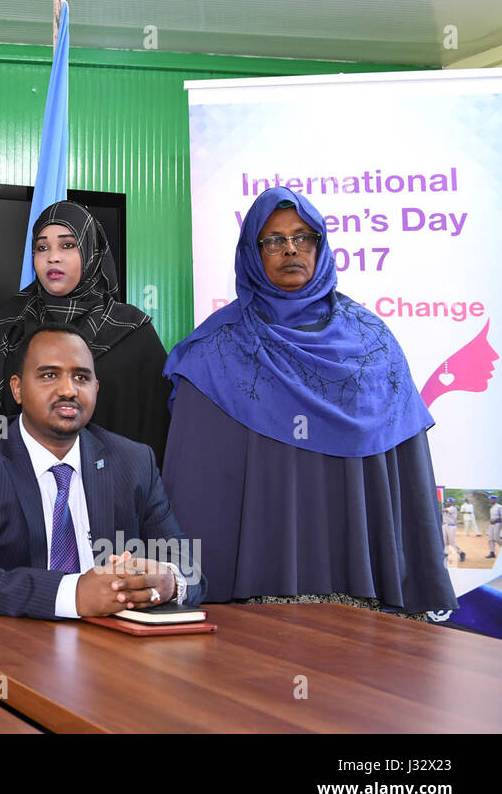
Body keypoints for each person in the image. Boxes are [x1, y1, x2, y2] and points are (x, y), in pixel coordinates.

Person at [162, 186, 456, 616]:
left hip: (361, 597)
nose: (290, 250)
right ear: (252, 253)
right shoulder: (214, 351)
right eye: (273, 240)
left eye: (303, 237)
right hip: (257, 600)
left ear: (320, 246)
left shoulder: (371, 342)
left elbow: (404, 461)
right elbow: (197, 483)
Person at [0, 325, 205, 619]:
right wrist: (72, 594)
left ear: (96, 388)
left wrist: (168, 581)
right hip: (11, 636)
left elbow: (188, 567)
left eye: (81, 377)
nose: (68, 390)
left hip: (114, 638)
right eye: (49, 375)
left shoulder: (134, 462)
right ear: (17, 388)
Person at [0, 200, 170, 463]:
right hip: (17, 481)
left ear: (91, 251)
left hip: (113, 483)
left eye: (68, 245)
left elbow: (156, 432)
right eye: (42, 247)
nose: (53, 257)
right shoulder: (9, 325)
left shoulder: (132, 332)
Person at [488, 495, 500, 560]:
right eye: (490, 499)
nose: (490, 500)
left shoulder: (499, 507)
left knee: (496, 538)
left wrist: (495, 520)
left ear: (495, 500)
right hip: (492, 524)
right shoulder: (491, 508)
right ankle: (492, 552)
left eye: (491, 499)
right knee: (491, 539)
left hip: (498, 523)